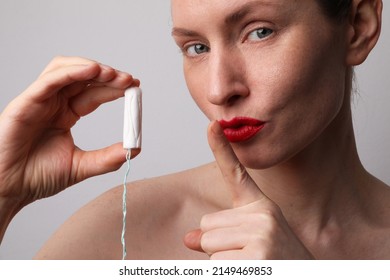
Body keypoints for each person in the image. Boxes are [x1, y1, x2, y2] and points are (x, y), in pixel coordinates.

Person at [0, 0, 388, 259]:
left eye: (259, 32)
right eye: (196, 48)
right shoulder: (123, 229)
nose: (220, 90)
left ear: (358, 26)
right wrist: (4, 196)